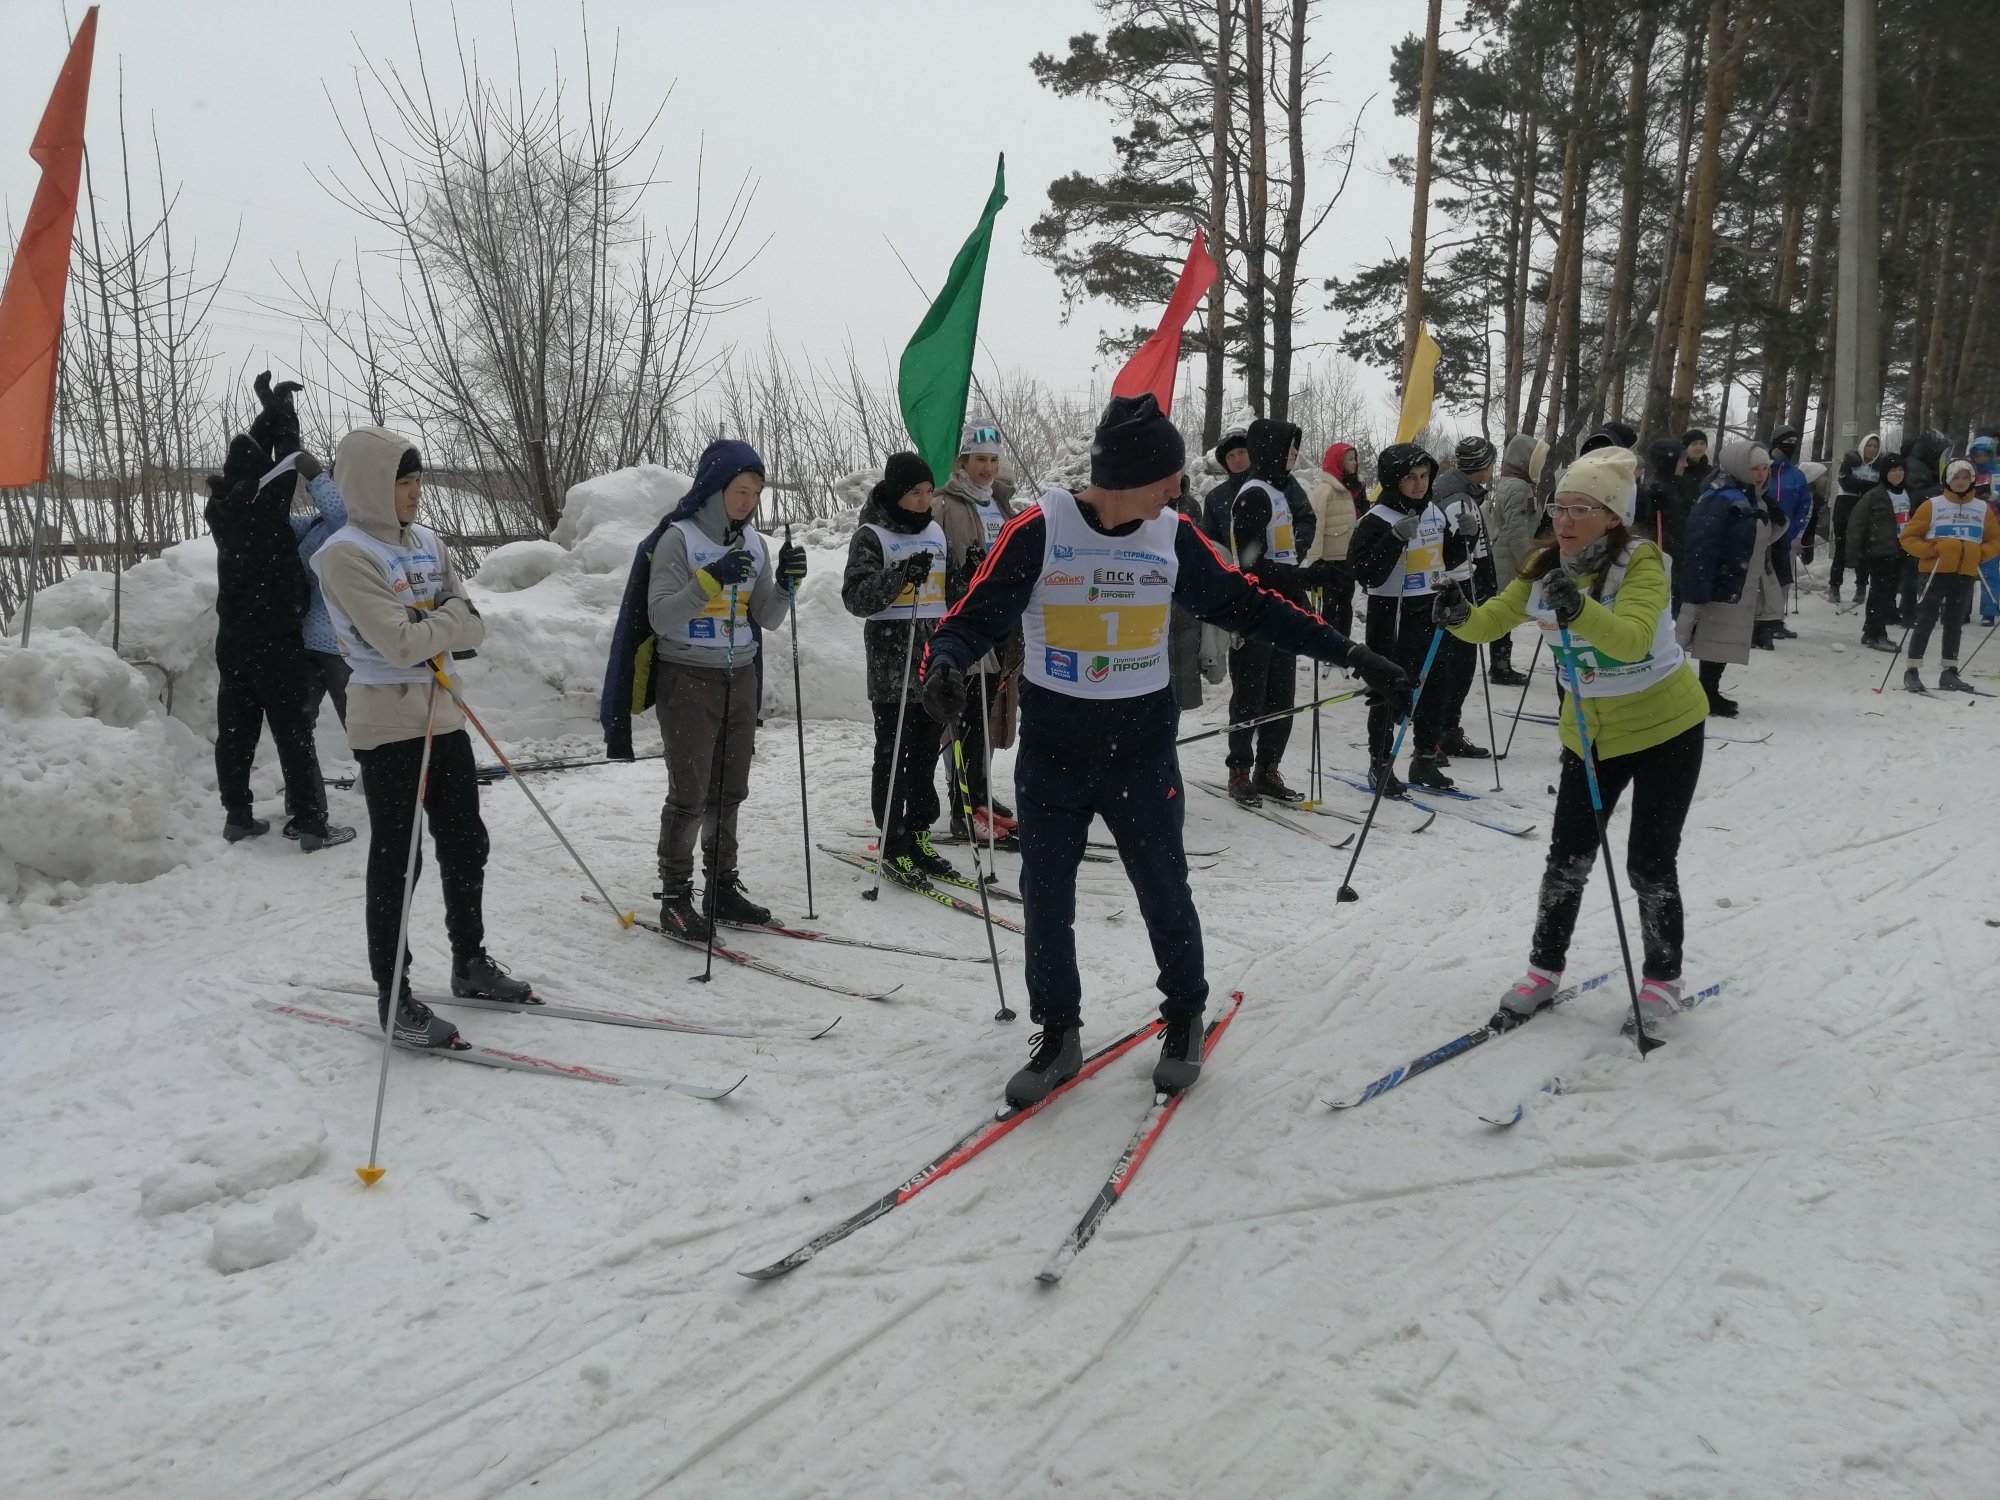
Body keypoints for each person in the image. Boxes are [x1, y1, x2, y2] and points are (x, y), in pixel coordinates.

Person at [920, 393, 1409, 1102]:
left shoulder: (1171, 535)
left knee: (1163, 888)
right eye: (1169, 477)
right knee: (1046, 898)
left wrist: (1351, 652)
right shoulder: (1039, 530)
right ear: (1127, 476)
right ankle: (1058, 1031)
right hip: (1053, 752)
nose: (1179, 489)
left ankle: (1183, 1018)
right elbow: (974, 616)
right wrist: (944, 663)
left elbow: (1248, 603)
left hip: (1140, 750)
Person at [1434, 445, 1708, 1041]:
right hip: (1589, 734)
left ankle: (1662, 978)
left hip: (1667, 730)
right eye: (1559, 506)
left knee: (1649, 864)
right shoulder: (1544, 565)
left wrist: (1578, 608)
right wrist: (1459, 616)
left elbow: (1633, 640)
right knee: (1567, 860)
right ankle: (1543, 970)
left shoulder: (1642, 562)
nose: (1563, 519)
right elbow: (1492, 621)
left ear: (1612, 516)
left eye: (1581, 508)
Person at [310, 428, 534, 1049]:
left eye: (416, 482)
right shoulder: (344, 554)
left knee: (467, 842)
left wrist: (433, 621)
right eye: (402, 483)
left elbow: (473, 626)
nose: (414, 494)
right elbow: (399, 643)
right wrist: (440, 621)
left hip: (443, 712)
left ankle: (470, 962)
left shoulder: (428, 542)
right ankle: (394, 995)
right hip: (387, 722)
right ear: (372, 488)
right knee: (398, 860)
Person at [639, 439, 804, 937]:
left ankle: (721, 886)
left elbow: (767, 618)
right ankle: (674, 896)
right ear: (715, 488)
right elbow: (661, 617)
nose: (748, 501)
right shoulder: (679, 538)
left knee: (729, 789)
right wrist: (710, 580)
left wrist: (787, 586)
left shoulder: (754, 544)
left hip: (741, 673)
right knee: (689, 791)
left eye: (755, 493)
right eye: (740, 490)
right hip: (687, 676)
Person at [203, 373, 353, 853]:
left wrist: (267, 410)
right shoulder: (269, 507)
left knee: (235, 730)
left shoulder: (226, 507)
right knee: (293, 734)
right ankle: (311, 824)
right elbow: (288, 457)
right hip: (278, 642)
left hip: (234, 642)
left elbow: (247, 453)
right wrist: (284, 414)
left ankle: (237, 815)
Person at [843, 452, 960, 886]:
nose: (923, 500)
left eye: (928, 492)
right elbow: (856, 599)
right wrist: (899, 577)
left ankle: (918, 831)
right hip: (893, 660)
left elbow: (949, 592)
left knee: (927, 752)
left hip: (932, 659)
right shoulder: (871, 535)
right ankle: (891, 839)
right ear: (897, 492)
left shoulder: (935, 531)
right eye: (915, 493)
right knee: (893, 754)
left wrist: (969, 572)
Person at [1349, 443, 1467, 794]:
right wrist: (1393, 539)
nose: (1419, 484)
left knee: (1436, 685)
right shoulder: (1376, 519)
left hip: (1430, 607)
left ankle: (1425, 759)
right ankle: (1381, 763)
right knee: (1390, 688)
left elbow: (1448, 559)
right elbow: (1367, 575)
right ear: (1392, 480)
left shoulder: (1434, 512)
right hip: (1392, 613)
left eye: (1424, 476)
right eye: (1409, 478)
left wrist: (1467, 536)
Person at [1222, 418, 1317, 803]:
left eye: (1296, 446)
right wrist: (1299, 577)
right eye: (1289, 446)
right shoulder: (1254, 494)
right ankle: (1240, 770)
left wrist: (1299, 581)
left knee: (1282, 693)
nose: (1294, 453)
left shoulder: (1282, 490)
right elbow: (1250, 563)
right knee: (1250, 693)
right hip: (1256, 610)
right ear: (1272, 449)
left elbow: (1285, 550)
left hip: (1283, 609)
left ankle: (1268, 768)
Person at [936, 422, 1022, 841]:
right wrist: (962, 578)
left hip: (1002, 623)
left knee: (987, 716)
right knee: (965, 718)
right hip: (965, 622)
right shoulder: (944, 505)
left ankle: (979, 792)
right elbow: (937, 562)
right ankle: (962, 804)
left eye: (992, 460)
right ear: (962, 462)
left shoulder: (1003, 505)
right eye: (979, 460)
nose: (987, 469)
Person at [1674, 440, 1777, 717]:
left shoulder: (1752, 496)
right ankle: (1696, 691)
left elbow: (1761, 539)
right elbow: (1701, 542)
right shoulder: (1721, 497)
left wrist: (1776, 519)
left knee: (1723, 639)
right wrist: (1700, 582)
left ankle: (1709, 689)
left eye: (1765, 468)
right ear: (1740, 466)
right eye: (1754, 468)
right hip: (1722, 578)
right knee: (1708, 636)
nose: (1761, 474)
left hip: (1740, 579)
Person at [1900, 458, 2000, 694]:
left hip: (1964, 571)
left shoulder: (1982, 508)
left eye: (1966, 477)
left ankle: (1950, 672)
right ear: (1948, 479)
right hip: (1934, 571)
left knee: (1954, 622)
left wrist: (1979, 553)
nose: (1961, 482)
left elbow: (1994, 540)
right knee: (1926, 620)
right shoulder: (1932, 505)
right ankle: (1912, 670)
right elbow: (1908, 538)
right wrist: (1933, 550)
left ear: (1972, 480)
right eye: (1956, 477)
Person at [1427, 435, 1498, 763]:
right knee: (1456, 666)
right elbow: (1456, 552)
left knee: (1457, 665)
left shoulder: (1459, 490)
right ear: (1480, 465)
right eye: (1489, 462)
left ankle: (1446, 731)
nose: (1491, 468)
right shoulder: (1458, 497)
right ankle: (1440, 734)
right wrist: (1476, 586)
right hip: (1455, 588)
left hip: (1457, 586)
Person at [1480, 433, 1548, 687]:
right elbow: (1518, 532)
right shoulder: (1519, 488)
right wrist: (1532, 563)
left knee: (1503, 613)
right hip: (1509, 562)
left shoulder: (1510, 484)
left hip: (1503, 558)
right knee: (1504, 614)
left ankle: (1500, 665)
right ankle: (1500, 668)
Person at [1851, 452, 1914, 651]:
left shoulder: (1907, 493)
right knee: (1880, 593)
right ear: (1885, 473)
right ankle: (1877, 634)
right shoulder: (1875, 495)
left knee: (1888, 593)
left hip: (1902, 549)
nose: (1897, 474)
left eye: (1900, 470)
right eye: (1892, 470)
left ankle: (1871, 629)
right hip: (1880, 550)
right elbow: (1857, 523)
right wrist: (1855, 554)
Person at [1304, 443, 1360, 638]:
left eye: (1355, 459)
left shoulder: (1350, 490)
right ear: (1338, 462)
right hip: (1328, 561)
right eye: (1350, 459)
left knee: (1345, 604)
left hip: (1347, 559)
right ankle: (1328, 645)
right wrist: (1315, 560)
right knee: (1330, 606)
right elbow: (1315, 528)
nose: (1354, 463)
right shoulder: (1324, 492)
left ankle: (1343, 645)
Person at [1830, 433, 1881, 606]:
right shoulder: (1850, 460)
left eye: (1875, 446)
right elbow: (1846, 484)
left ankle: (1861, 586)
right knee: (1842, 548)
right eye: (1869, 445)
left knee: (1864, 548)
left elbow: (1879, 488)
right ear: (1863, 446)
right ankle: (1834, 586)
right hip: (1845, 506)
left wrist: (1860, 485)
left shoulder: (1879, 466)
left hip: (1866, 508)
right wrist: (1867, 487)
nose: (1872, 449)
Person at [1638, 436, 1689, 562]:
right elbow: (1652, 531)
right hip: (1663, 559)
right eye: (1682, 460)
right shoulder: (1658, 490)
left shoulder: (1676, 485)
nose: (1686, 464)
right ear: (1670, 462)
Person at [1199, 427, 1252, 543]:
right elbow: (1210, 544)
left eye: (1241, 452)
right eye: (1230, 456)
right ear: (1225, 462)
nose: (1237, 459)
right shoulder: (1215, 498)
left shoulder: (1275, 485)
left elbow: (1300, 522)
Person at [1680, 430, 1712, 495]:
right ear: (1685, 447)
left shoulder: (1711, 472)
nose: (1699, 448)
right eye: (1694, 444)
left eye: (1702, 443)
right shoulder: (1675, 470)